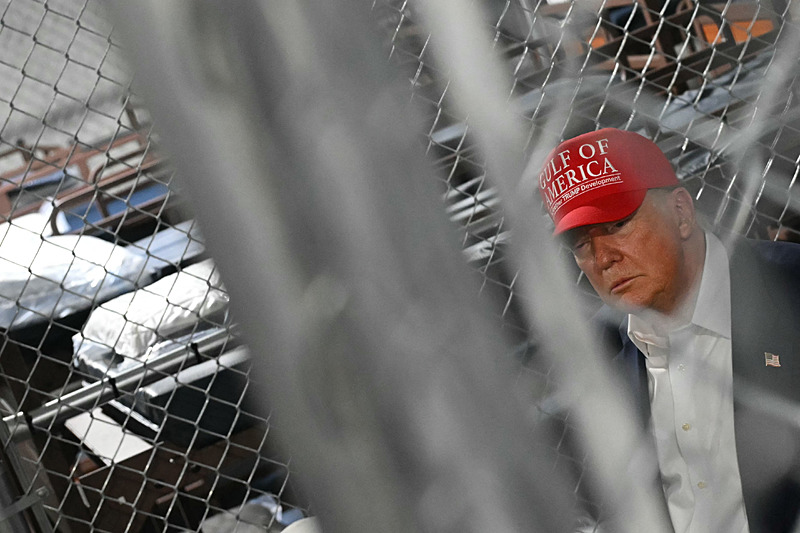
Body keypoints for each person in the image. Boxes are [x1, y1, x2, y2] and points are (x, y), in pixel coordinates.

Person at [538, 128, 800, 533]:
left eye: (617, 224)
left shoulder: (789, 285)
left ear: (681, 212)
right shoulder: (599, 356)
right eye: (580, 244)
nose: (603, 258)